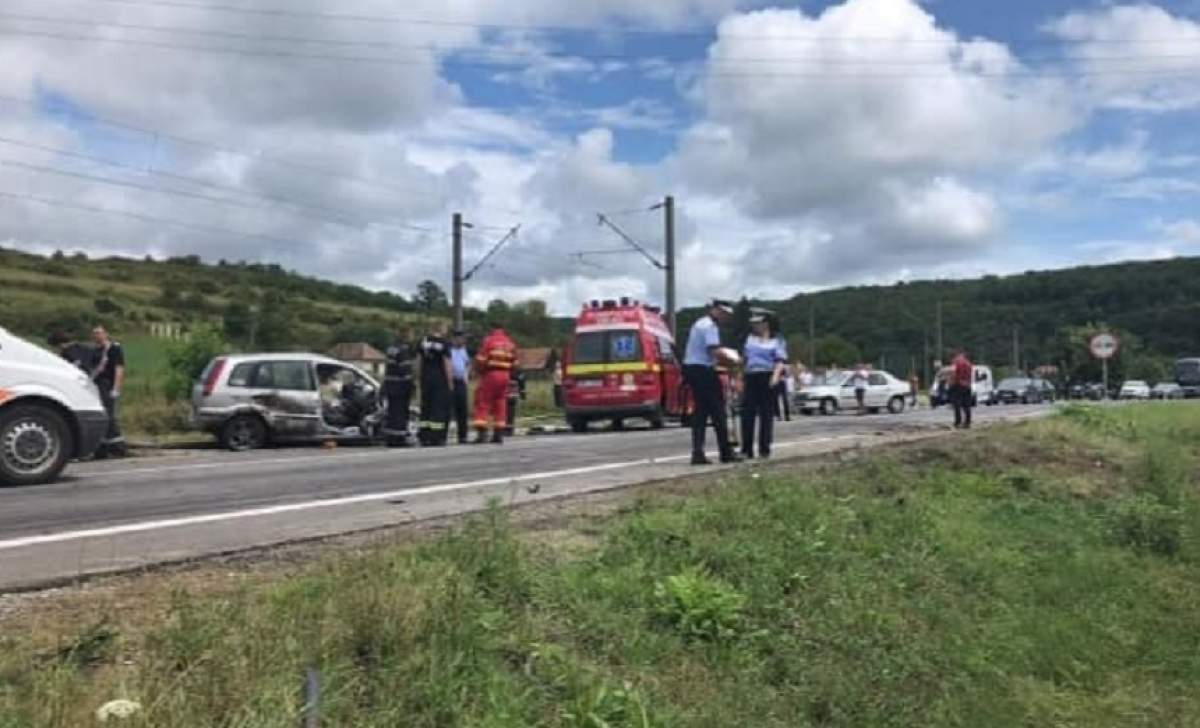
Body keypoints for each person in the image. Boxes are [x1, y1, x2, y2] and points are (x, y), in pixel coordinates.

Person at [683, 299, 741, 466]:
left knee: (701, 412)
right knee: (717, 410)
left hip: (692, 368)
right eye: (724, 314)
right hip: (702, 369)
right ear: (715, 310)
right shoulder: (710, 327)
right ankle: (725, 451)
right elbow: (714, 351)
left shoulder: (699, 323)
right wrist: (734, 362)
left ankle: (698, 451)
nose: (725, 318)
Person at [741, 310, 788, 459]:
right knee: (747, 413)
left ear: (766, 324)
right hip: (751, 375)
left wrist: (775, 376)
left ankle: (764, 448)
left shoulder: (777, 340)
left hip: (767, 375)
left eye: (758, 323)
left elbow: (780, 361)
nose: (755, 326)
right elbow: (744, 359)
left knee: (766, 414)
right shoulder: (749, 339)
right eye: (754, 324)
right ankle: (746, 448)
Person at [472, 323, 517, 444]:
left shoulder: (489, 341)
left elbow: (481, 360)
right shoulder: (510, 343)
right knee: (500, 403)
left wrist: (479, 372)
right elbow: (516, 363)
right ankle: (498, 434)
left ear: (491, 329)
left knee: (482, 401)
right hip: (505, 376)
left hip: (491, 375)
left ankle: (482, 434)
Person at [89, 326, 126, 458]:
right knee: (100, 415)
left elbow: (119, 368)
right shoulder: (94, 351)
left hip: (107, 384)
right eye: (94, 333)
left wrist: (116, 388)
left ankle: (118, 447)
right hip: (96, 385)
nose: (96, 336)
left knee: (108, 415)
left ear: (106, 334)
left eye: (99, 333)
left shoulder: (113, 349)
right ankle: (102, 447)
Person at [416, 325, 454, 446]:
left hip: (425, 379)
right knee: (438, 409)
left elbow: (418, 362)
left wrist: (419, 378)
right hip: (439, 380)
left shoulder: (423, 342)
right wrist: (450, 382)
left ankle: (424, 436)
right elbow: (446, 363)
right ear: (441, 330)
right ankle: (437, 437)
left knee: (425, 408)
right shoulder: (444, 344)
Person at [382, 330, 416, 447]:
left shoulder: (390, 349)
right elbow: (405, 370)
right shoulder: (403, 350)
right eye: (411, 335)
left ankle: (390, 438)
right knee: (400, 414)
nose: (412, 338)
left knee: (392, 413)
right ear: (406, 336)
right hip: (401, 387)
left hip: (390, 385)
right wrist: (411, 384)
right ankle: (399, 438)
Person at [449, 329, 472, 444]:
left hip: (461, 382)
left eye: (464, 338)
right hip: (450, 382)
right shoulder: (448, 350)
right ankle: (443, 435)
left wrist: (466, 375)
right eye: (461, 338)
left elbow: (468, 363)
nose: (463, 340)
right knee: (448, 409)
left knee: (462, 410)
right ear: (454, 338)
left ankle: (463, 436)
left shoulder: (463, 350)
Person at [950, 350, 974, 429]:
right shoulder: (968, 363)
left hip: (958, 385)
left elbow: (953, 373)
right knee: (967, 405)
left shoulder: (955, 362)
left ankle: (958, 422)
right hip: (967, 385)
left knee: (957, 404)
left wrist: (951, 383)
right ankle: (967, 422)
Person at [504, 366, 527, 437]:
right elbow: (522, 380)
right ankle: (507, 429)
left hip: (511, 391)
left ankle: (508, 429)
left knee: (510, 410)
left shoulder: (517, 370)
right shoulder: (516, 368)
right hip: (507, 390)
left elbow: (522, 380)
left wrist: (522, 392)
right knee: (507, 410)